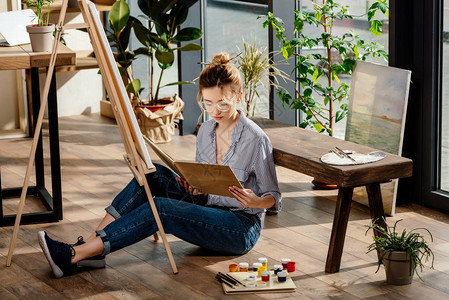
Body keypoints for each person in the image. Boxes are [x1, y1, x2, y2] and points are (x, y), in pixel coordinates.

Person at [38, 53, 282, 278]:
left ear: (238, 97)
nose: (214, 111)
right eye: (207, 103)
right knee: (152, 175)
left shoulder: (256, 139)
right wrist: (194, 186)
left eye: (222, 104)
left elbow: (274, 197)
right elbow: (206, 182)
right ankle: (91, 249)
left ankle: (74, 255)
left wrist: (257, 201)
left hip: (239, 227)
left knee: (162, 209)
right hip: (207, 207)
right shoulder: (206, 130)